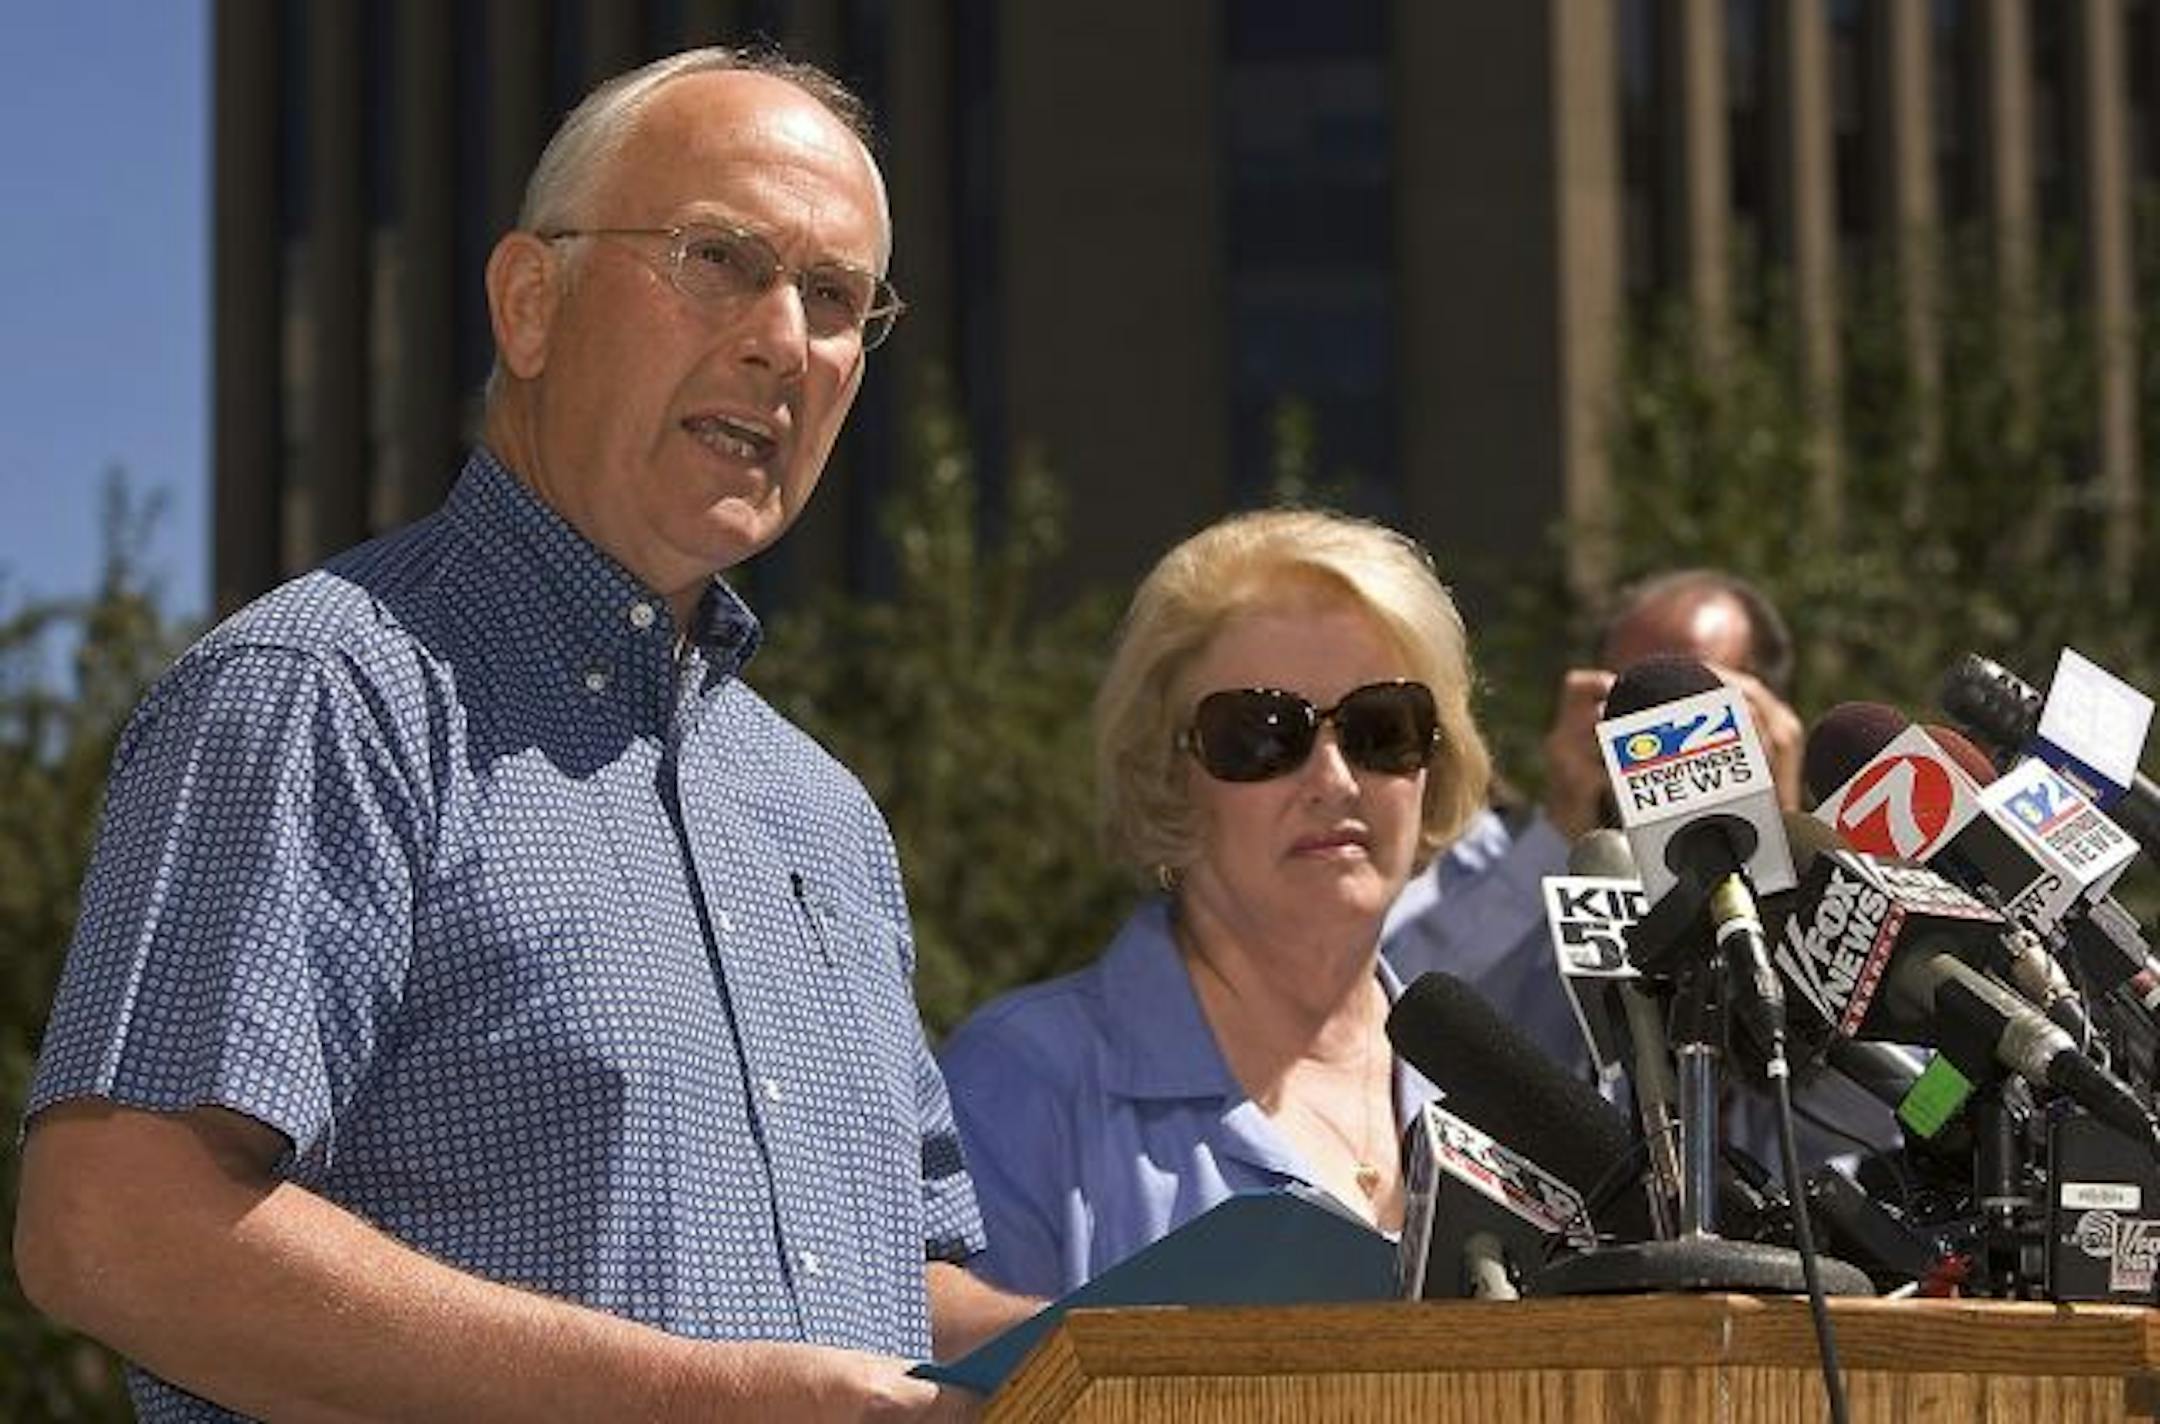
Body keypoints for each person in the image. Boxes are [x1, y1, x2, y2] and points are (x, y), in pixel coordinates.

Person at [15, 48, 1028, 1422]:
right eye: (721, 258)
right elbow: (115, 1231)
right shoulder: (324, 690)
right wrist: (700, 1403)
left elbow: (888, 1299)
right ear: (528, 302)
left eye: (837, 298)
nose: (785, 340)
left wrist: (1224, 1334)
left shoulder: (823, 814)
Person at [939, 509, 1494, 1298]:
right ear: (1167, 775)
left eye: (1382, 728)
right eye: (1263, 734)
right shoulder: (1025, 1084)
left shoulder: (1496, 1106)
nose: (1334, 781)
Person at [1382, 568, 1804, 1077]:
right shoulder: (1486, 858)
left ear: (1770, 716)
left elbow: (1868, 1118)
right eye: (1630, 697)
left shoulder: (1833, 880)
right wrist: (1561, 833)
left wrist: (1779, 852)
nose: (1656, 735)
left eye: (1692, 701)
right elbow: (1397, 1008)